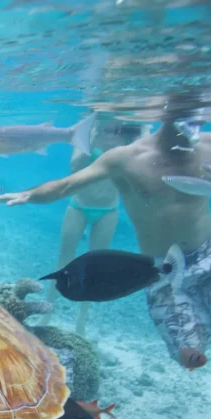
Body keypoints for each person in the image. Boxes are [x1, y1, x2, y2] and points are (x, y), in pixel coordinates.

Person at [0, 107, 211, 419]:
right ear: (161, 113)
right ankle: (209, 317)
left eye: (197, 110)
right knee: (189, 356)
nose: (192, 118)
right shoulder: (125, 158)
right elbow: (67, 185)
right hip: (161, 268)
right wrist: (29, 194)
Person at [43, 120, 148, 334]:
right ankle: (47, 312)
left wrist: (144, 129)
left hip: (108, 211)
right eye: (106, 128)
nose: (111, 134)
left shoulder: (129, 141)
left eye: (115, 129)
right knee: (63, 261)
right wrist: (92, 135)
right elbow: (75, 166)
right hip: (78, 206)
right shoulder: (84, 135)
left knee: (96, 267)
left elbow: (145, 151)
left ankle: (82, 319)